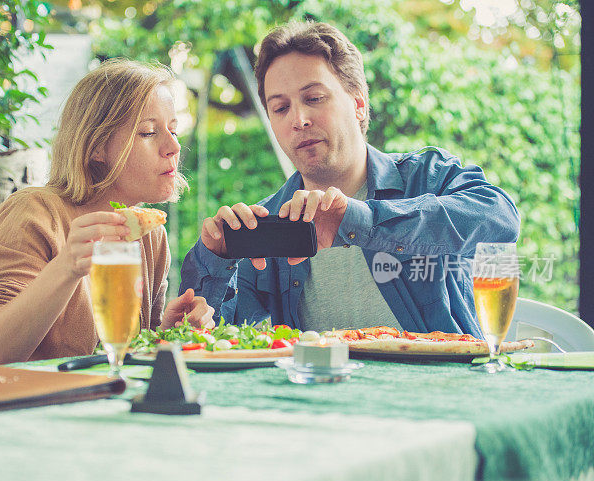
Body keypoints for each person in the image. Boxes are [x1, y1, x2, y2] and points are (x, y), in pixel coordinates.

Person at [179, 21, 520, 337]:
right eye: (280, 108)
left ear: (358, 103)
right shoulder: (267, 224)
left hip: (440, 390)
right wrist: (217, 259)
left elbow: (500, 219)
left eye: (314, 98)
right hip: (319, 398)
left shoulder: (427, 176)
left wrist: (355, 219)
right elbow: (228, 340)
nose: (299, 119)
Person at [0, 59, 215, 365]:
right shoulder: (31, 213)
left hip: (76, 402)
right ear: (96, 146)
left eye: (173, 131)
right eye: (148, 133)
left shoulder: (151, 238)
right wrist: (67, 267)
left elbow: (123, 359)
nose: (173, 147)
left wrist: (165, 333)